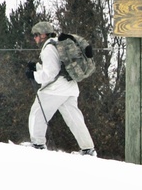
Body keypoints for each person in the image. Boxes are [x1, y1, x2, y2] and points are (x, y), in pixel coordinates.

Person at [26, 21, 96, 156]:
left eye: (36, 35)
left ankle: (37, 144)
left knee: (37, 112)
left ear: (43, 35)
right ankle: (88, 149)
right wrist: (37, 67)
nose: (34, 38)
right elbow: (59, 67)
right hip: (70, 88)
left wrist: (33, 75)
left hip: (55, 89)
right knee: (74, 119)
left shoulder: (48, 49)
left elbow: (51, 73)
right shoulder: (59, 43)